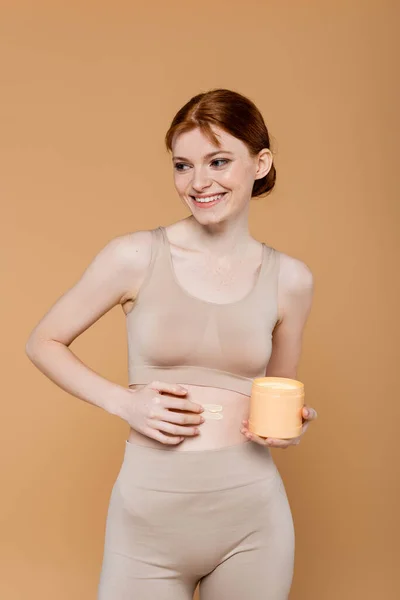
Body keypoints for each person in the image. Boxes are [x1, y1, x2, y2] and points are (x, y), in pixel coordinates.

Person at [25, 88, 318, 600]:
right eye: (183, 166)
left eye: (219, 161)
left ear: (260, 163)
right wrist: (124, 401)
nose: (198, 182)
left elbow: (275, 393)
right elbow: (43, 341)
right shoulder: (134, 255)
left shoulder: (291, 279)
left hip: (252, 521)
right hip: (147, 524)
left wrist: (287, 428)